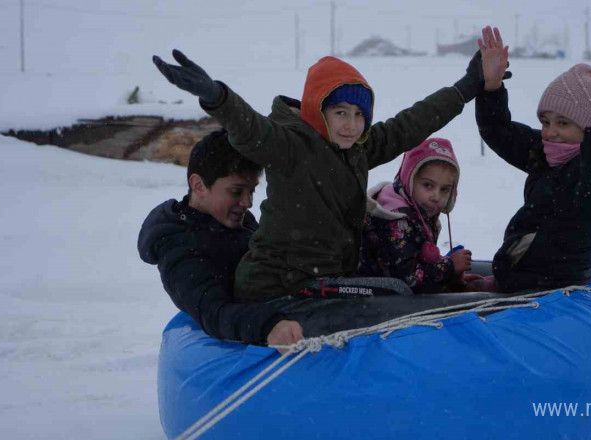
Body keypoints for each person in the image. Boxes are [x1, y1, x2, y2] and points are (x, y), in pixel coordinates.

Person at [152, 29, 508, 301]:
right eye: (340, 113)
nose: (351, 125)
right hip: (283, 284)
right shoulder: (289, 146)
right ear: (317, 111)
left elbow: (411, 123)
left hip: (328, 276)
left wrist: (466, 87)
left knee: (395, 288)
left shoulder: (357, 148)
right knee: (395, 294)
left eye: (358, 115)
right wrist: (217, 98)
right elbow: (249, 129)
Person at [474, 26, 591, 293]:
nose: (551, 132)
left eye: (563, 122)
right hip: (522, 276)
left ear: (589, 127)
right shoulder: (549, 152)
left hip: (555, 289)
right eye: (546, 121)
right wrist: (492, 86)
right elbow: (498, 130)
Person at [137, 131, 303, 347]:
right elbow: (214, 312)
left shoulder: (236, 220)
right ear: (199, 186)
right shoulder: (180, 247)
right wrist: (268, 326)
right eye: (236, 191)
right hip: (237, 344)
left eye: (251, 191)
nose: (247, 203)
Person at [358, 138, 478, 293]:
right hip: (376, 301)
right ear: (410, 179)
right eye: (428, 185)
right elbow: (408, 279)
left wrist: (450, 278)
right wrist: (449, 267)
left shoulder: (418, 211)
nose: (436, 196)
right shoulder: (393, 220)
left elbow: (417, 258)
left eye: (444, 190)